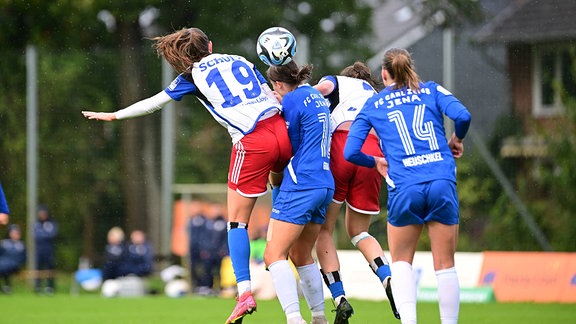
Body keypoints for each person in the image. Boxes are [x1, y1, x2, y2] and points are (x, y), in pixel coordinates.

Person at [82, 27, 292, 323]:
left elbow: (155, 102)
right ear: (210, 44)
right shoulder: (239, 59)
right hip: (281, 130)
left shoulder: (191, 76)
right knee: (278, 179)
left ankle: (244, 292)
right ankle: (284, 232)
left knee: (236, 223)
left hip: (252, 141)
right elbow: (273, 94)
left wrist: (115, 115)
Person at [344, 48, 471, 324]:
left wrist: (375, 161)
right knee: (446, 265)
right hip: (440, 180)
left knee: (401, 263)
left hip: (405, 186)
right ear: (409, 68)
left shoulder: (374, 105)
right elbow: (463, 116)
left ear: (384, 74)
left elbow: (350, 152)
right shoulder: (431, 90)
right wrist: (456, 140)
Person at [313, 61, 398, 322]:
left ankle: (339, 298)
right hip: (373, 153)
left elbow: (320, 89)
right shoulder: (376, 96)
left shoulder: (338, 81)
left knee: (324, 230)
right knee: (359, 232)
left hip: (343, 144)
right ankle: (387, 278)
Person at [263, 61, 334, 324]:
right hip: (325, 182)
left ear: (279, 84)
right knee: (302, 254)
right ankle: (318, 317)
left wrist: (274, 178)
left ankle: (294, 319)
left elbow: (284, 148)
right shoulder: (314, 95)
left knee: (273, 254)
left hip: (302, 182)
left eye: (274, 86)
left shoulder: (291, 100)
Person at [188, 201, 228, 296]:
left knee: (219, 271)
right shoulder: (207, 223)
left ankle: (219, 288)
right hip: (208, 252)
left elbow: (226, 238)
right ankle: (206, 287)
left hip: (219, 252)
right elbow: (203, 238)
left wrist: (223, 249)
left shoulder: (224, 223)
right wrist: (204, 249)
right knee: (206, 270)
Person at [33, 204, 58, 295]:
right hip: (39, 249)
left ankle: (50, 286)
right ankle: (38, 286)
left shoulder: (51, 223)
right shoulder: (36, 223)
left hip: (49, 249)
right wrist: (45, 235)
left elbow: (53, 234)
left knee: (50, 267)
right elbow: (36, 236)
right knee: (38, 268)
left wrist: (43, 235)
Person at [0, 224, 26, 294]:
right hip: (3, 264)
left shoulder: (21, 245)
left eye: (16, 233)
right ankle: (6, 287)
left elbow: (23, 258)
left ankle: (7, 287)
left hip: (14, 265)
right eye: (13, 233)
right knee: (3, 266)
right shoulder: (4, 243)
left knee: (5, 267)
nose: (15, 235)